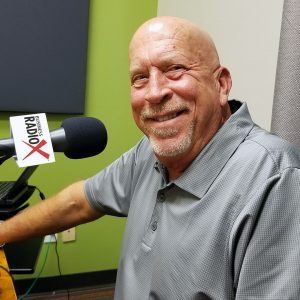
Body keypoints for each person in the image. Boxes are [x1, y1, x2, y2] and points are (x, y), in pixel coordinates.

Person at [1, 16, 300, 299]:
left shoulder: (275, 179)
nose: (154, 93)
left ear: (221, 84)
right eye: (140, 78)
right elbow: (80, 201)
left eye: (175, 69)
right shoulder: (149, 153)